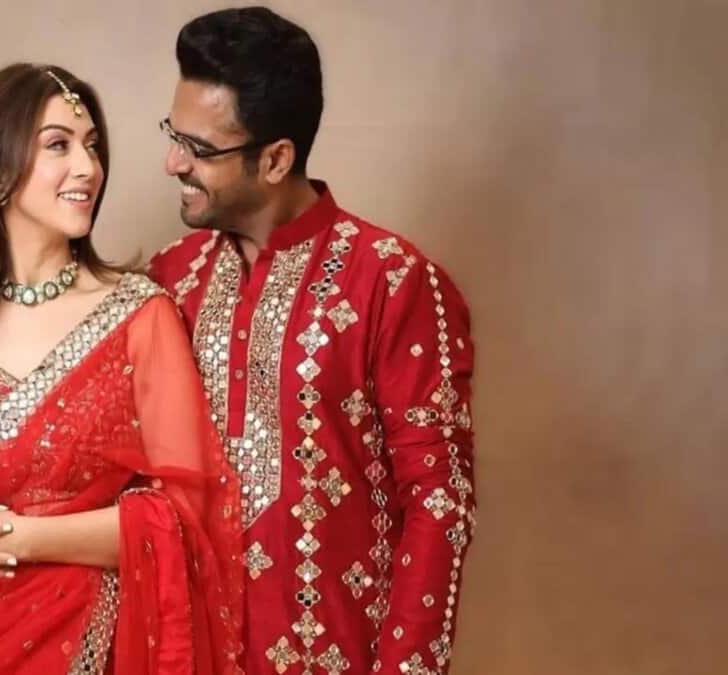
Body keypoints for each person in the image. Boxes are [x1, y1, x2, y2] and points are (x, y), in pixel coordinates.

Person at [0, 63, 243, 674]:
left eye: (92, 146)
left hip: (104, 640)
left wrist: (19, 538)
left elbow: (186, 514)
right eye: (58, 145)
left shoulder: (139, 315)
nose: (88, 168)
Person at [148, 8, 477, 675]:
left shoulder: (392, 281)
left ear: (275, 159)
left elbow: (438, 502)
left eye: (199, 149)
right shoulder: (168, 281)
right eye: (173, 135)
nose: (172, 162)